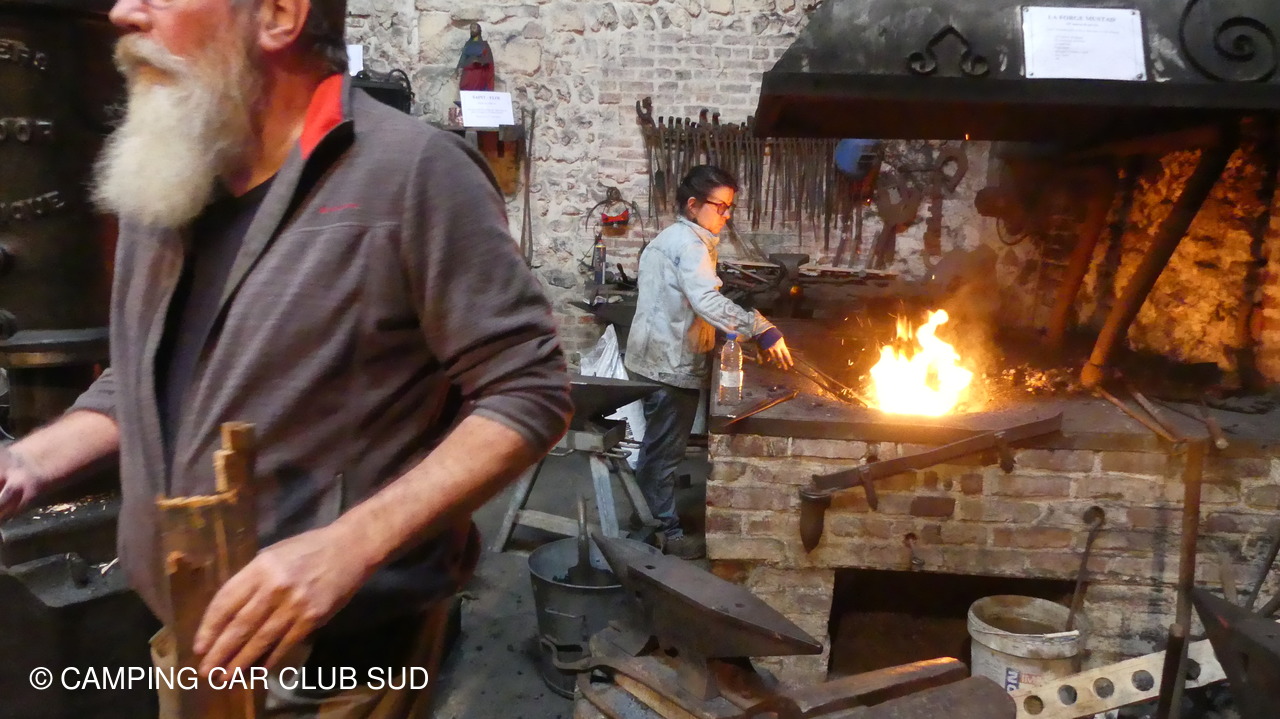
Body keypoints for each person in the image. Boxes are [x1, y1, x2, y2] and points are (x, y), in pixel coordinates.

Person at [0, 0, 571, 715]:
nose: (122, 13)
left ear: (277, 15)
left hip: (333, 665)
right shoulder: (165, 175)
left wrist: (347, 547)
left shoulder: (411, 172)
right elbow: (149, 376)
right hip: (186, 636)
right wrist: (30, 462)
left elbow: (529, 391)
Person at [625, 165, 793, 560]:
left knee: (656, 450)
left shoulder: (675, 237)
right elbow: (705, 299)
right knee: (663, 456)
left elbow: (684, 303)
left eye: (729, 207)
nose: (726, 215)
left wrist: (726, 334)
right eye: (720, 206)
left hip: (654, 357)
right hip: (669, 367)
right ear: (693, 204)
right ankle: (663, 535)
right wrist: (759, 328)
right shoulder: (690, 245)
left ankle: (645, 519)